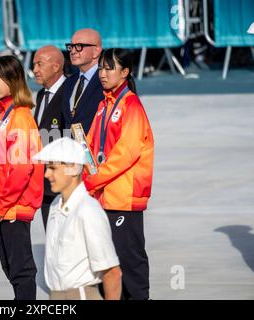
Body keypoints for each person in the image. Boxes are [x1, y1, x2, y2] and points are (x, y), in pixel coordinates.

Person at [83, 48, 154, 300]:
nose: (103, 73)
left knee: (129, 261)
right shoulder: (105, 104)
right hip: (103, 195)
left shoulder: (130, 104)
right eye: (101, 68)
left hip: (123, 197)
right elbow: (90, 146)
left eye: (109, 68)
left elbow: (127, 153)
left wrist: (92, 180)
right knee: (108, 264)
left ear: (125, 72)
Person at [0, 55, 44, 300]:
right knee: (9, 266)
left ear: (13, 80)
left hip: (14, 205)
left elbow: (21, 168)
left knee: (21, 269)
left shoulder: (21, 116)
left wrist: (2, 204)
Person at [33, 137, 122, 300]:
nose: (46, 174)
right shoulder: (54, 206)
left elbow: (112, 274)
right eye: (47, 168)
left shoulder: (88, 210)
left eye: (53, 168)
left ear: (73, 168)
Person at [32, 45, 67, 230]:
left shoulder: (69, 92)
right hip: (45, 182)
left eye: (39, 64)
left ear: (56, 66)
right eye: (34, 65)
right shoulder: (41, 95)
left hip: (63, 181)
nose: (35, 70)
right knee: (53, 238)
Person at [62, 28, 104, 135]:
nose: (73, 51)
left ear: (96, 51)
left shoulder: (108, 82)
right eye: (71, 46)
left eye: (79, 46)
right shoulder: (68, 82)